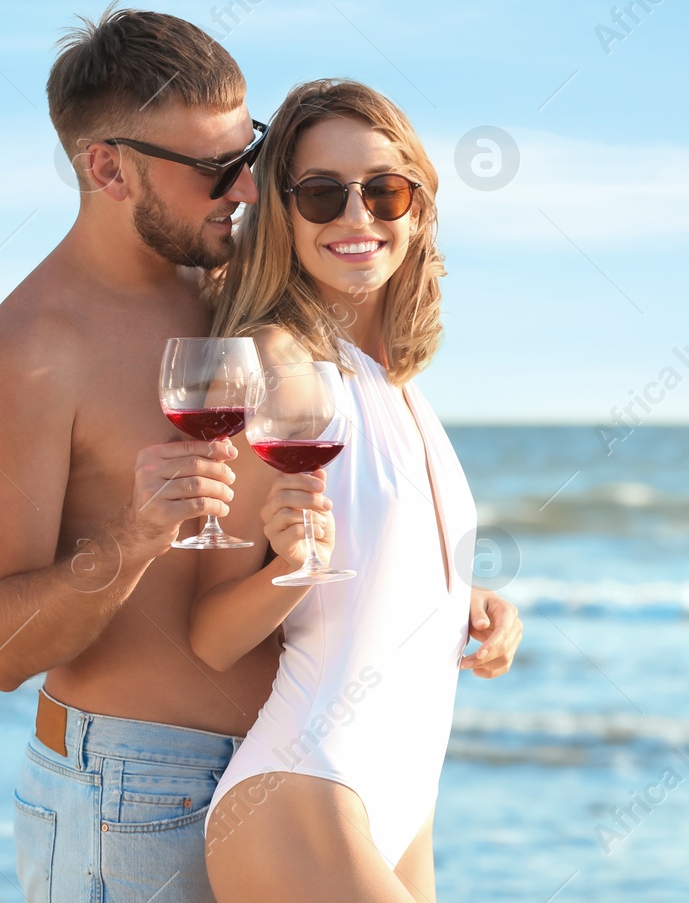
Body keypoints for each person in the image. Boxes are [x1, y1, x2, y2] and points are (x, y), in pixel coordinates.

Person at [0, 7, 522, 903]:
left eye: (248, 154)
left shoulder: (240, 290)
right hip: (133, 793)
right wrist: (135, 540)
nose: (248, 190)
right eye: (216, 171)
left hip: (303, 775)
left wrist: (434, 588)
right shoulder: (32, 354)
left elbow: (322, 512)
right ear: (106, 166)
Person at [192, 79, 479, 903]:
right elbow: (211, 636)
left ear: (418, 210)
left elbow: (381, 560)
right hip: (300, 790)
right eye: (322, 194)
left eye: (385, 191)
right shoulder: (281, 364)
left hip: (404, 798)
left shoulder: (399, 386)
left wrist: (471, 602)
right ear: (283, 215)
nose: (357, 218)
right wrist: (289, 570)